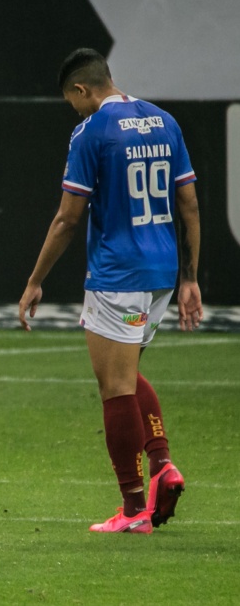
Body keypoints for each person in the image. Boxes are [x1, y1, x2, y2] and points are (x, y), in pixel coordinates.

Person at [18, 48, 202, 534]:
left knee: (115, 387)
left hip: (117, 273)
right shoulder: (164, 121)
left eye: (71, 101)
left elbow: (67, 217)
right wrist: (190, 277)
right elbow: (189, 205)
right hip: (162, 271)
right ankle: (163, 465)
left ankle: (134, 508)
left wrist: (36, 280)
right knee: (128, 372)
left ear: (82, 89)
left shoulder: (91, 131)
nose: (73, 111)